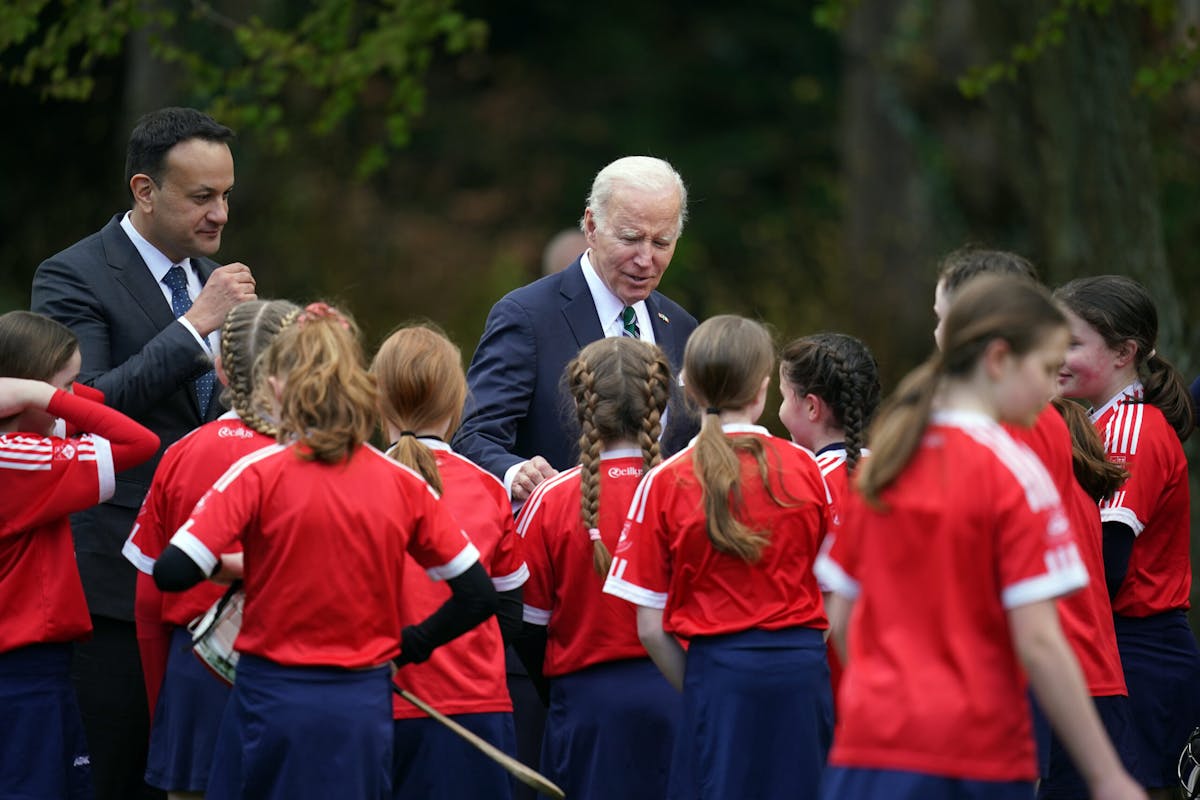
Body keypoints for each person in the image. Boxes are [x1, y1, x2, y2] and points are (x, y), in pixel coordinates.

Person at [151, 302, 498, 799]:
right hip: (358, 707)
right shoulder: (402, 483)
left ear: (276, 387)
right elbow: (477, 597)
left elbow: (173, 571)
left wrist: (254, 564)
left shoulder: (258, 473)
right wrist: (408, 647)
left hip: (269, 704)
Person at [815, 275, 1144, 800]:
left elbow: (843, 619)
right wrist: (1106, 775)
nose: (1051, 386)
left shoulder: (888, 465)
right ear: (998, 360)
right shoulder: (1015, 473)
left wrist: (893, 700)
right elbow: (1039, 640)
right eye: (1043, 368)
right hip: (974, 753)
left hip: (872, 748)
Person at [31, 106, 257, 800]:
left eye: (225, 194)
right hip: (113, 581)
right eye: (201, 197)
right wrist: (194, 328)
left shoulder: (212, 280)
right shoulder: (72, 275)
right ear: (144, 190)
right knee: (115, 770)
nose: (219, 214)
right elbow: (87, 407)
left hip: (214, 584)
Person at [603, 315, 835, 800]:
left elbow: (649, 627)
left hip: (717, 674)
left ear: (691, 391)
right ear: (762, 389)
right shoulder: (807, 469)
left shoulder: (665, 480)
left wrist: (706, 686)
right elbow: (831, 591)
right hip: (800, 673)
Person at [935, 249, 1137, 798]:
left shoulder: (1018, 429)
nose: (936, 333)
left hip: (1040, 680)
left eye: (943, 317)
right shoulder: (1015, 424)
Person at [121, 299, 299, 799]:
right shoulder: (327, 457)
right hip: (300, 676)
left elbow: (148, 597)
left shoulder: (181, 452)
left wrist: (164, 703)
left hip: (195, 674)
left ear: (220, 368)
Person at [454, 155, 699, 503]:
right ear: (592, 226)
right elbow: (474, 434)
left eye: (661, 243)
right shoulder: (528, 316)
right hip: (560, 542)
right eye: (631, 238)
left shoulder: (681, 327)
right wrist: (515, 473)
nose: (646, 259)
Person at [0, 311, 160, 800]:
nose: (72, 399)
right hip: (21, 668)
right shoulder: (18, 457)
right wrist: (40, 396)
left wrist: (46, 394)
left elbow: (97, 406)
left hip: (30, 663)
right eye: (66, 386)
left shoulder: (22, 445)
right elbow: (140, 442)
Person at [516, 336, 681, 800]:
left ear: (579, 404)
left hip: (585, 704)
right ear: (661, 401)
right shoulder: (691, 487)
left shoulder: (551, 499)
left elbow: (527, 625)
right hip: (681, 691)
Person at [1055, 275, 1200, 799]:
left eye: (1071, 342)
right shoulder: (1093, 422)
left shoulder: (1131, 428)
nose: (1055, 356)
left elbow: (1109, 560)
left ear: (1124, 352)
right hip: (1112, 647)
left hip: (1138, 655)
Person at [372, 323, 528, 800]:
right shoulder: (486, 487)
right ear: (458, 401)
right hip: (472, 708)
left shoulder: (351, 481)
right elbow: (509, 607)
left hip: (372, 702)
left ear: (378, 399)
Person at [778, 331, 881, 714]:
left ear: (811, 408)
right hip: (896, 678)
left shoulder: (798, 482)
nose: (779, 409)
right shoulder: (898, 474)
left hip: (827, 688)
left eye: (784, 397)